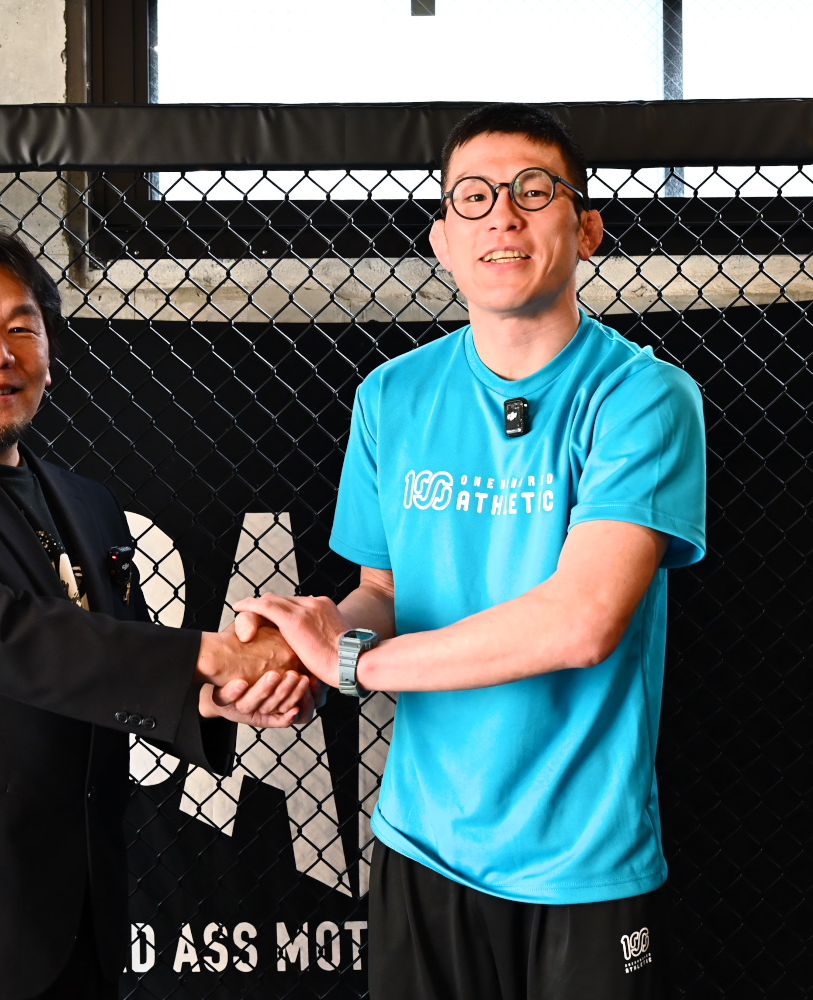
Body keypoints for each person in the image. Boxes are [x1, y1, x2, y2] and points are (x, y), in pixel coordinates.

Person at [236, 103, 707, 1000]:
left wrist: (351, 667)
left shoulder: (643, 397)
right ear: (443, 240)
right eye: (475, 197)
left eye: (534, 190)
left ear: (588, 229)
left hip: (583, 862)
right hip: (422, 843)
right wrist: (311, 637)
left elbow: (582, 623)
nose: (504, 216)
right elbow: (384, 593)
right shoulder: (392, 395)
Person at [0, 227, 311, 1000]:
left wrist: (228, 693)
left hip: (80, 914)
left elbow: (115, 655)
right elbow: (1, 636)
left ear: (48, 353)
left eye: (21, 328)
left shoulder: (87, 502)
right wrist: (220, 655)